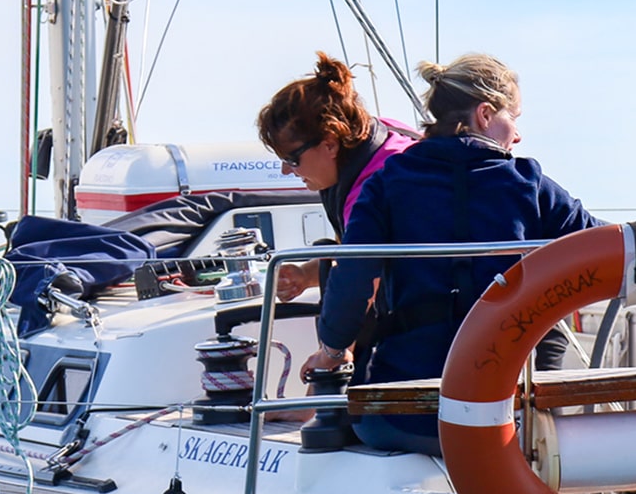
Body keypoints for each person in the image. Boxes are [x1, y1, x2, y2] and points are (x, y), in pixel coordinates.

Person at [297, 54, 601, 453]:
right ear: (485, 113)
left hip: (403, 417)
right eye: (515, 117)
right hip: (507, 414)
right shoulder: (530, 184)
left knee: (360, 421)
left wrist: (331, 351)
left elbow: (352, 279)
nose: (518, 134)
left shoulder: (386, 184)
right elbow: (605, 246)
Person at [256, 53, 417, 300]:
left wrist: (335, 339)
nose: (286, 170)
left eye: (292, 159)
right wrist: (304, 275)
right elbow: (355, 253)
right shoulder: (382, 133)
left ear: (330, 144)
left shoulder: (374, 191)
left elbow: (363, 287)